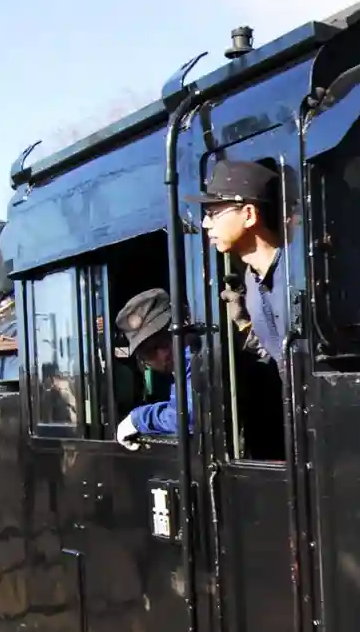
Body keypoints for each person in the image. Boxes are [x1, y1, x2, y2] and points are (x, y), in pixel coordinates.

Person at [186, 160, 288, 379]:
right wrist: (244, 325)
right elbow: (281, 358)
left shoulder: (296, 275)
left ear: (249, 214)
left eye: (213, 213)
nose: (205, 224)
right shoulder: (252, 280)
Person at [113, 288, 193, 443]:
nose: (164, 354)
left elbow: (184, 417)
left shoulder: (196, 356)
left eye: (165, 340)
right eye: (149, 352)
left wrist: (137, 419)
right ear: (142, 362)